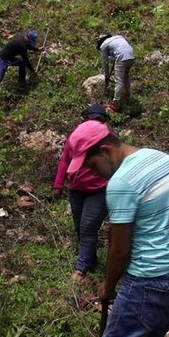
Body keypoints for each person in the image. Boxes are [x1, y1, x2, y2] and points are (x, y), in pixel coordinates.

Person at [64, 128, 169, 337]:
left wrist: (108, 287)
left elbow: (120, 251)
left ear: (106, 151)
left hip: (150, 281)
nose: (93, 173)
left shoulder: (122, 183)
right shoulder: (161, 159)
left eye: (92, 165)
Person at [52, 105, 110, 283]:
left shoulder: (108, 138)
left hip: (99, 190)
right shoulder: (76, 136)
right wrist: (58, 184)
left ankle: (80, 269)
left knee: (87, 227)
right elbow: (65, 160)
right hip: (77, 189)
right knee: (80, 227)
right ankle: (90, 261)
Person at [0, 29, 40, 97]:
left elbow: (28, 46)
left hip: (10, 57)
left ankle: (22, 83)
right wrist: (32, 70)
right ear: (29, 39)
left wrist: (37, 49)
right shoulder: (22, 45)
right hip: (3, 58)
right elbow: (26, 60)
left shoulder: (21, 37)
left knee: (22, 64)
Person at [96, 34, 135, 113]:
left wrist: (106, 76)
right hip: (131, 56)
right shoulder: (118, 37)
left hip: (121, 57)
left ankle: (115, 103)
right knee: (126, 76)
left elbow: (105, 62)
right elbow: (121, 48)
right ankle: (127, 94)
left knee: (119, 80)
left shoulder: (103, 46)